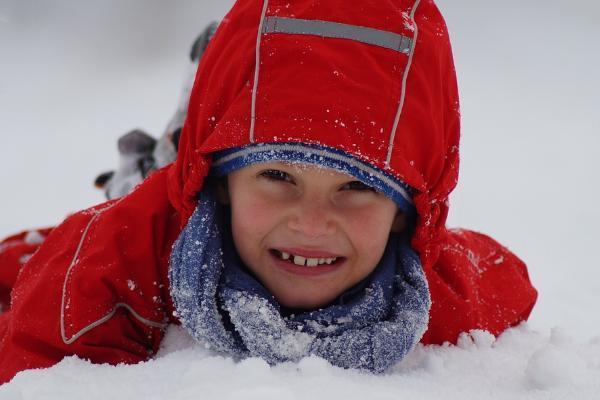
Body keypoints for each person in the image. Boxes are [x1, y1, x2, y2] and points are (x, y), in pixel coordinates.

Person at [0, 0, 537, 383]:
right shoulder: (110, 260)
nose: (311, 223)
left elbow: (506, 279)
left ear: (406, 216)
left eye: (355, 187)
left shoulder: (429, 297)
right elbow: (34, 367)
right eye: (279, 178)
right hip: (165, 210)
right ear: (223, 184)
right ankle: (174, 152)